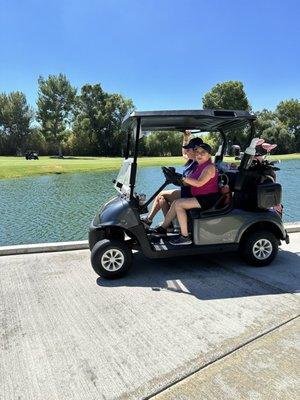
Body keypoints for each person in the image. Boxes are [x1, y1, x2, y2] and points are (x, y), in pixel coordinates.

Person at [151, 143, 220, 245]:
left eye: (203, 153)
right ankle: (163, 228)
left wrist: (183, 178)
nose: (199, 155)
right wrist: (177, 177)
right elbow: (186, 155)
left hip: (208, 199)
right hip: (199, 197)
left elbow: (199, 183)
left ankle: (185, 237)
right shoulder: (199, 165)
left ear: (209, 155)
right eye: (197, 152)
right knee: (175, 203)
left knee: (179, 204)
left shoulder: (209, 168)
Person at [141, 133, 203, 227]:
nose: (186, 151)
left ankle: (151, 221)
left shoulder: (199, 164)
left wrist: (179, 179)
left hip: (191, 195)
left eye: (188, 149)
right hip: (185, 191)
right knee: (161, 198)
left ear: (196, 150)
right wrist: (185, 138)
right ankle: (168, 225)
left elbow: (192, 184)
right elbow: (183, 153)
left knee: (161, 195)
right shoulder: (192, 160)